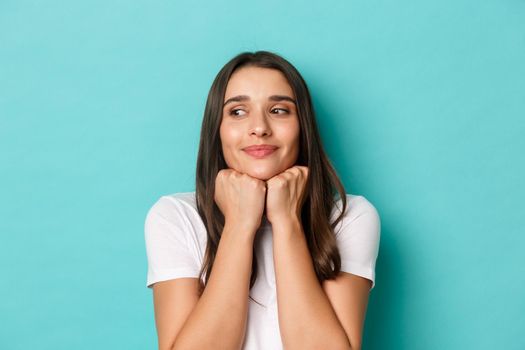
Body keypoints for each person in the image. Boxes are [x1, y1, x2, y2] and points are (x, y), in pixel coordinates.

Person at [144, 51, 381, 350]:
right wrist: (240, 223)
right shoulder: (175, 216)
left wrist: (287, 221)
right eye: (238, 112)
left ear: (303, 126)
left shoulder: (350, 216)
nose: (259, 127)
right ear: (216, 130)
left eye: (279, 110)